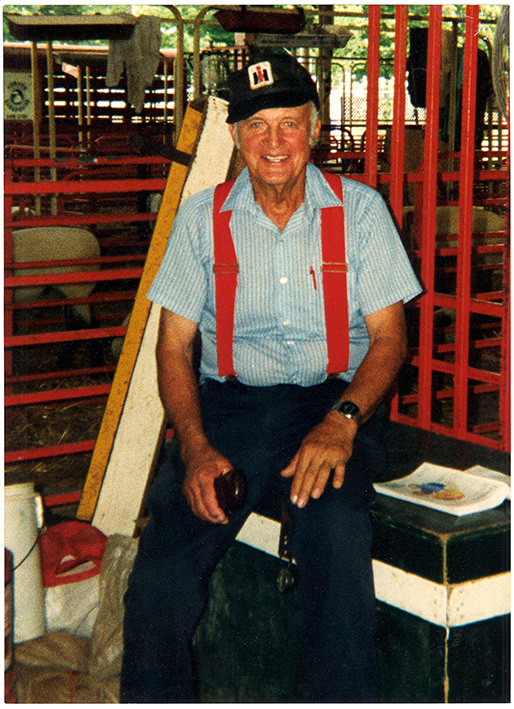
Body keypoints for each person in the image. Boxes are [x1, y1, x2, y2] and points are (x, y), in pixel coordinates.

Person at [120, 51, 422, 703]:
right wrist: (194, 446)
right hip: (232, 408)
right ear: (235, 136)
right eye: (257, 125)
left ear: (315, 129)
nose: (275, 141)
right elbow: (173, 347)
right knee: (162, 573)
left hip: (333, 400)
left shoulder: (361, 212)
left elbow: (390, 339)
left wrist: (342, 422)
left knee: (335, 531)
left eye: (289, 122)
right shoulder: (200, 219)